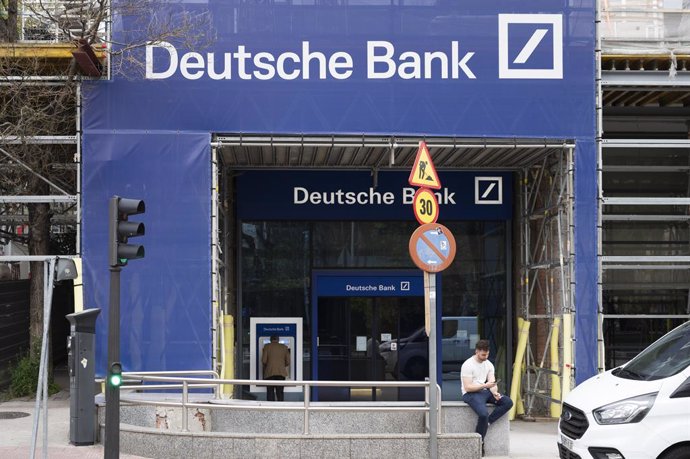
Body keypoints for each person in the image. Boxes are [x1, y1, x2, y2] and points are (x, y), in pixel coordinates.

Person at [461, 339, 513, 455]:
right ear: (477, 351)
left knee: (507, 402)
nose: (485, 357)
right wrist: (485, 385)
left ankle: (488, 423)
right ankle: (480, 442)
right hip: (470, 394)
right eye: (483, 354)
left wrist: (495, 392)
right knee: (483, 414)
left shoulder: (489, 364)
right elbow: (468, 387)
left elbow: (492, 383)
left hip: (485, 392)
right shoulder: (468, 365)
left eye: (487, 354)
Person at [261, 335, 290, 401]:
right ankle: (280, 406)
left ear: (270, 340)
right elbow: (288, 362)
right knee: (280, 392)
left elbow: (264, 360)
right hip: (281, 373)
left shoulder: (267, 346)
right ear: (278, 340)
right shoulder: (284, 347)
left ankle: (271, 407)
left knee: (270, 392)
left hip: (269, 373)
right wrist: (282, 366)